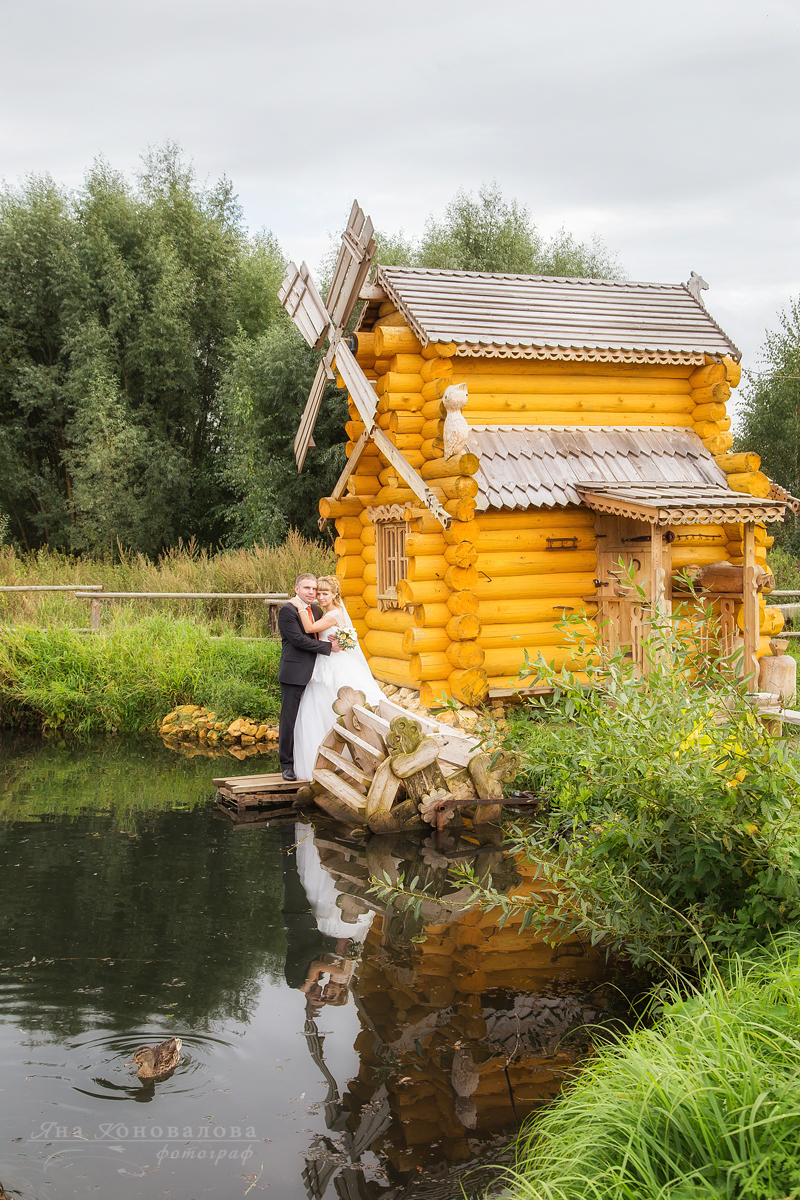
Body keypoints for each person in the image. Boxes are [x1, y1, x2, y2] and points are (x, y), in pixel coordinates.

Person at [291, 575, 383, 782]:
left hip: (332, 664)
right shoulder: (328, 612)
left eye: (325, 593)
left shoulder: (333, 613)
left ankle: (344, 759)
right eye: (318, 593)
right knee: (316, 707)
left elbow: (309, 629)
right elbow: (344, 637)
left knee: (330, 702)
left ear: (335, 594)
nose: (320, 597)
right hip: (324, 660)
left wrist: (298, 606)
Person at [277, 573, 341, 781]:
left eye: (314, 589)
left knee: (310, 716)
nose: (312, 592)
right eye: (307, 588)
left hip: (317, 673)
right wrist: (328, 647)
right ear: (296, 589)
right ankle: (287, 765)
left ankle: (313, 759)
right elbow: (297, 640)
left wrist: (333, 639)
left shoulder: (315, 609)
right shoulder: (288, 610)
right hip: (294, 672)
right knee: (289, 718)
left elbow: (320, 630)